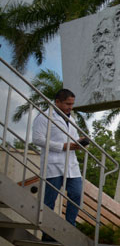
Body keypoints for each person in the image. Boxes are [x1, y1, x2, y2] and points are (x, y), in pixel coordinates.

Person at [32, 89, 85, 235]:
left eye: (72, 104)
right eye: (68, 104)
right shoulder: (44, 116)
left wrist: (78, 143)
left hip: (71, 165)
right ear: (57, 102)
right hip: (53, 165)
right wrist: (62, 146)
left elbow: (69, 140)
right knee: (50, 201)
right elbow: (37, 139)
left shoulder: (71, 119)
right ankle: (47, 233)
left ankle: (69, 227)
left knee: (76, 194)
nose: (70, 107)